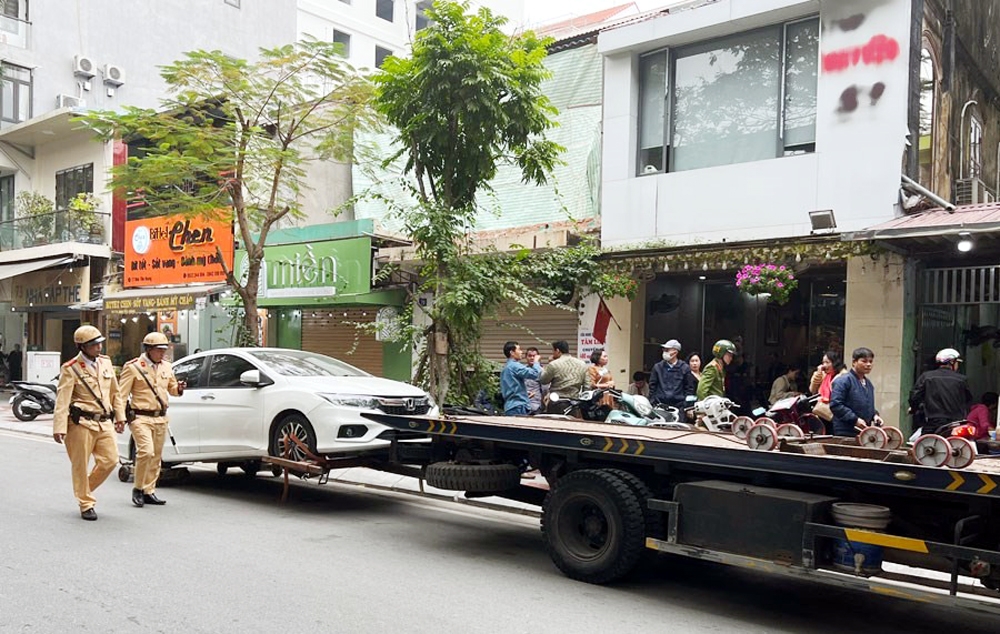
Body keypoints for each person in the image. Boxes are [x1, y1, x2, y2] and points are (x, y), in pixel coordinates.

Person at [52, 326, 127, 521]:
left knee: (110, 460)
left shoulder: (105, 363)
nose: (98, 347)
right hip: (81, 424)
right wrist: (59, 427)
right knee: (80, 465)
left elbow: (115, 392)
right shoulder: (71, 368)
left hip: (104, 422)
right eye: (93, 344)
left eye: (99, 343)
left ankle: (83, 488)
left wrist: (120, 416)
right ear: (82, 346)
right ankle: (85, 502)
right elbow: (62, 400)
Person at [119, 332, 187, 507]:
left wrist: (178, 388)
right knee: (146, 452)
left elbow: (171, 388)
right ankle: (138, 488)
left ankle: (149, 490)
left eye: (164, 349)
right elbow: (121, 395)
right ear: (148, 349)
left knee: (156, 457)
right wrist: (119, 418)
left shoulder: (167, 367)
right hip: (140, 416)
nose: (162, 353)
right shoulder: (134, 367)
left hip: (160, 417)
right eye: (158, 350)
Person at [908, 348, 974, 436]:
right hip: (956, 423)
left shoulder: (926, 377)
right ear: (952, 362)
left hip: (933, 421)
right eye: (957, 362)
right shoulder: (961, 379)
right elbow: (968, 399)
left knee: (924, 445)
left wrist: (914, 408)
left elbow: (915, 396)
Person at [829, 347, 882, 437]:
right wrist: (855, 419)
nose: (868, 364)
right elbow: (836, 404)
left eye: (870, 361)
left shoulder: (868, 384)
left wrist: (875, 416)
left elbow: (867, 405)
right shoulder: (843, 381)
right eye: (864, 361)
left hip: (863, 433)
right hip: (845, 432)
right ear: (854, 362)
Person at [538, 340, 589, 410]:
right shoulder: (582, 364)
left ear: (558, 350)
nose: (553, 353)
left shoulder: (554, 364)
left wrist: (544, 369)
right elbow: (587, 386)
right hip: (574, 403)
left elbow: (543, 380)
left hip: (556, 402)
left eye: (553, 351)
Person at [649, 340, 695, 408]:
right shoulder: (658, 367)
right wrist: (653, 403)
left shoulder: (684, 368)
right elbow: (652, 387)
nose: (664, 352)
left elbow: (689, 389)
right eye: (664, 350)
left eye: (667, 350)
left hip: (679, 407)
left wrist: (686, 406)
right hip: (660, 406)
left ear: (675, 352)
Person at [500, 341, 540, 416]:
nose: (521, 352)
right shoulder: (515, 366)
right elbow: (535, 374)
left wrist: (523, 392)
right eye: (519, 349)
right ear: (512, 352)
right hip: (518, 407)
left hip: (510, 406)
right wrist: (536, 362)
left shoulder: (506, 367)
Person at [808, 350, 845, 423]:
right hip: (822, 411)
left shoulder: (843, 376)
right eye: (823, 363)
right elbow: (813, 390)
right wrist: (818, 373)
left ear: (835, 363)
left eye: (827, 362)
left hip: (836, 413)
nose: (824, 365)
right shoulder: (823, 375)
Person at [523, 346, 546, 415]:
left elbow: (545, 390)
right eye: (529, 356)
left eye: (534, 356)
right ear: (526, 357)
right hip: (524, 405)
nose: (532, 358)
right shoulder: (522, 370)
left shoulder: (542, 371)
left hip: (536, 407)